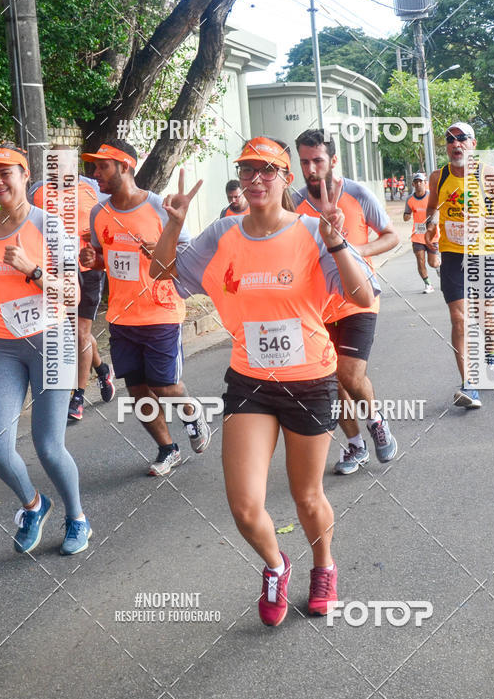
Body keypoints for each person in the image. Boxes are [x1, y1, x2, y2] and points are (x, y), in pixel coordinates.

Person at [150, 136, 377, 626]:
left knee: (307, 497)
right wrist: (172, 224)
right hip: (250, 380)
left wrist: (337, 242)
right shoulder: (222, 233)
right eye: (247, 170)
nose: (256, 179)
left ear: (286, 178)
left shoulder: (315, 229)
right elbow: (163, 271)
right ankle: (276, 565)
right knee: (246, 506)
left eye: (267, 170)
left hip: (310, 380)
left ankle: (324, 567)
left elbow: (360, 295)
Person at [0, 145, 91, 555]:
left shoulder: (50, 227)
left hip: (51, 341)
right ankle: (34, 505)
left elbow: (72, 294)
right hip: (4, 346)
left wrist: (33, 270)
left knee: (48, 445)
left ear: (25, 175)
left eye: (6, 174)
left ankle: (77, 517)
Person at [78, 140, 211, 475]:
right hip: (122, 317)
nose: (96, 174)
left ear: (126, 166)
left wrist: (161, 250)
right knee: (137, 390)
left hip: (161, 310)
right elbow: (100, 260)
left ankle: (192, 413)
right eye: (94, 168)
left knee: (164, 386)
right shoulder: (99, 213)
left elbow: (188, 256)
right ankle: (168, 449)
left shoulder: (158, 206)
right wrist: (91, 260)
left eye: (102, 167)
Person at [293, 129, 399, 476]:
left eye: (318, 160)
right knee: (331, 383)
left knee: (350, 376)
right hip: (316, 307)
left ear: (333, 160)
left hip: (358, 299)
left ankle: (376, 422)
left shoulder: (356, 193)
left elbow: (391, 236)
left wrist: (357, 252)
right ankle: (355, 445)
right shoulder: (294, 203)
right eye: (305, 161)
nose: (311, 168)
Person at [425, 123, 494, 409]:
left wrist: (482, 223)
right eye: (450, 140)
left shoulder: (489, 175)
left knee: (484, 319)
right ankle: (471, 385)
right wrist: (429, 228)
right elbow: (431, 210)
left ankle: (491, 350)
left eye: (461, 139)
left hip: (483, 253)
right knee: (459, 319)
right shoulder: (438, 177)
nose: (455, 144)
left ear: (473, 144)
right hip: (452, 255)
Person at [28, 145, 115, 423]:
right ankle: (101, 370)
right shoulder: (38, 192)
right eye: (53, 163)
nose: (58, 168)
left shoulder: (93, 188)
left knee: (80, 332)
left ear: (73, 164)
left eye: (64, 163)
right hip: (56, 271)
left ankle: (77, 395)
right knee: (73, 333)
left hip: (87, 267)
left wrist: (92, 235)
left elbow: (110, 222)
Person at [404, 172, 440, 293]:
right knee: (420, 260)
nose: (419, 184)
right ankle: (428, 284)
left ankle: (438, 265)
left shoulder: (432, 196)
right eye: (416, 182)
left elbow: (438, 211)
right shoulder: (410, 199)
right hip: (418, 234)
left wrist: (432, 222)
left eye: (421, 182)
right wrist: (406, 217)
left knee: (432, 263)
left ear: (425, 183)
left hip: (432, 234)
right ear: (413, 184)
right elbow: (406, 215)